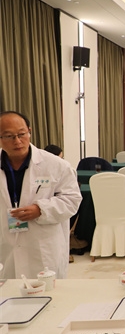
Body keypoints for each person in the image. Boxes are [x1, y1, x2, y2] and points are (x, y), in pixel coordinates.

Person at [0, 111, 82, 279]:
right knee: (8, 290)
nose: (17, 141)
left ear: (29, 131)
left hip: (43, 247)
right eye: (9, 136)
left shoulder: (56, 165)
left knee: (47, 291)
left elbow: (72, 200)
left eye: (21, 134)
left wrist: (41, 209)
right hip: (5, 243)